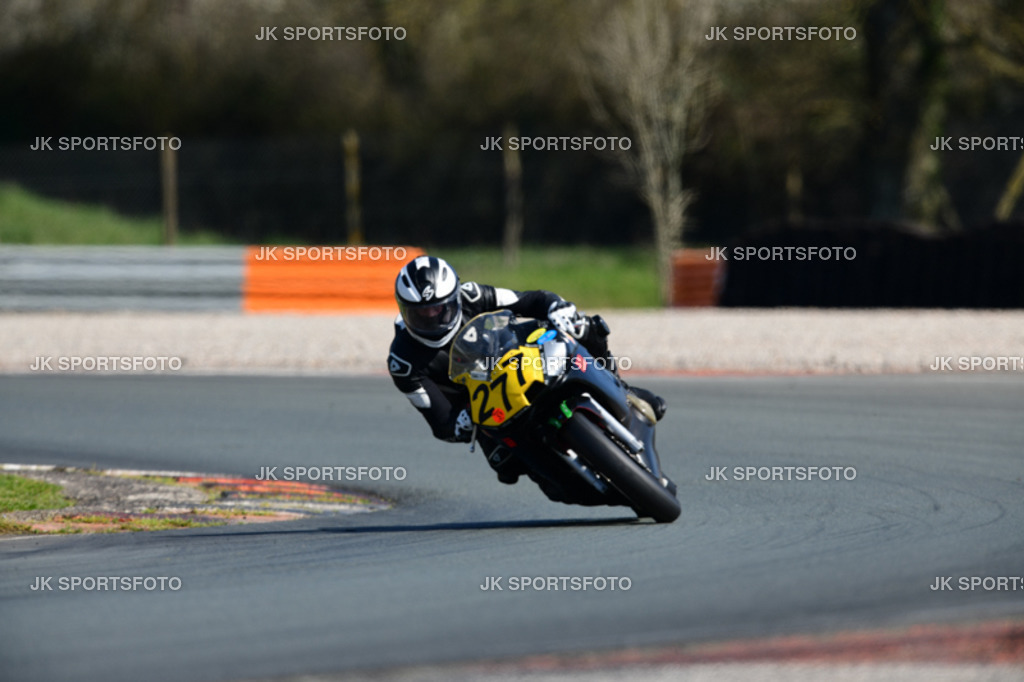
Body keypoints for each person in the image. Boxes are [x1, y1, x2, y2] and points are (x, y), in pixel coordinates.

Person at [387, 255, 666, 490]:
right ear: (404, 309)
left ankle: (622, 389)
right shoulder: (403, 362)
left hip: (516, 356)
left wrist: (557, 308)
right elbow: (440, 421)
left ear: (455, 299)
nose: (432, 318)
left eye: (439, 309)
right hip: (483, 407)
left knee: (587, 328)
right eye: (421, 313)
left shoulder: (472, 295)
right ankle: (563, 477)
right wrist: (459, 423)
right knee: (506, 466)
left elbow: (532, 300)